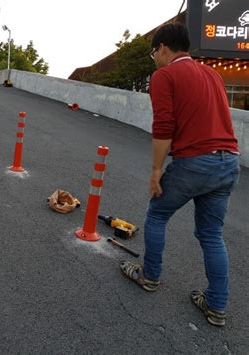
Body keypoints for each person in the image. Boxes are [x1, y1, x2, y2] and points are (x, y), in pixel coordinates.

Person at [119, 23, 240, 327]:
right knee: (212, 235)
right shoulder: (213, 74)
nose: (154, 59)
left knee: (158, 214)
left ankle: (149, 276)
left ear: (162, 48)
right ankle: (216, 306)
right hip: (228, 162)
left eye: (154, 53)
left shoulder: (165, 75)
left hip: (195, 162)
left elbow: (163, 126)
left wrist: (156, 170)